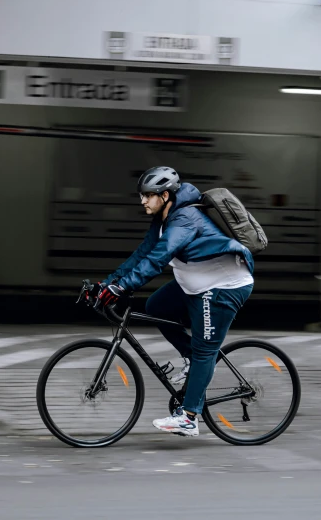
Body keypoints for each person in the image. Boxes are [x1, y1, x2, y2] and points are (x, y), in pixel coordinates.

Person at [93, 166, 254, 437]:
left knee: (205, 351)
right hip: (195, 283)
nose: (142, 201)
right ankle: (191, 358)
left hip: (222, 287)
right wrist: (109, 283)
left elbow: (158, 259)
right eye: (141, 195)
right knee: (157, 306)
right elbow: (141, 255)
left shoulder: (185, 219)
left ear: (165, 195)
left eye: (148, 195)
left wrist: (122, 288)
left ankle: (190, 417)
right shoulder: (163, 219)